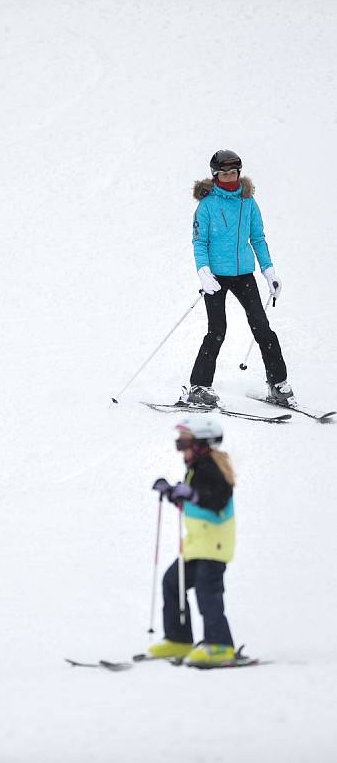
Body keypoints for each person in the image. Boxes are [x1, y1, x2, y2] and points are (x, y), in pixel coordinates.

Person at [184, 149, 295, 408]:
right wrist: (203, 271)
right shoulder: (207, 205)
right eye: (223, 174)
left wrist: (269, 272)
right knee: (217, 331)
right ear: (215, 176)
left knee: (263, 328)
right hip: (215, 277)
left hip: (244, 274)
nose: (229, 178)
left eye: (233, 173)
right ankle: (199, 387)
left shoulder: (248, 202)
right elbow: (199, 242)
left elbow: (258, 238)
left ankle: (278, 384)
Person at [148, 416, 236, 666]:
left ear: (201, 443)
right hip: (198, 545)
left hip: (214, 545)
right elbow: (195, 503)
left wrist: (191, 494)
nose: (181, 449)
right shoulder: (196, 469)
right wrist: (172, 493)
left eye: (184, 443)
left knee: (208, 592)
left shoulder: (215, 467)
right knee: (172, 582)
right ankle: (179, 639)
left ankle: (220, 645)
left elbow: (216, 500)